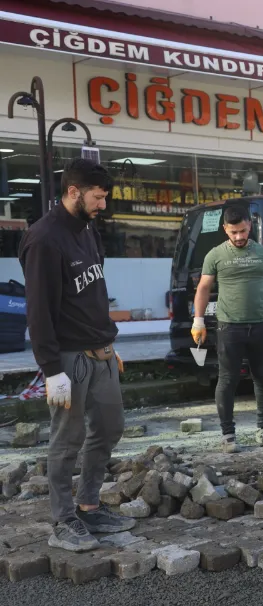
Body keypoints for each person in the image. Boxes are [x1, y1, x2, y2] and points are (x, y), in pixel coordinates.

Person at [19, 159, 134, 552]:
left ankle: (88, 505)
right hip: (68, 360)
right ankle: (63, 520)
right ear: (73, 192)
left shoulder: (87, 230)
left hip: (100, 354)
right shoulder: (44, 239)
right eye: (98, 197)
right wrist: (51, 369)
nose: (103, 205)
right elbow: (39, 312)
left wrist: (109, 345)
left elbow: (93, 296)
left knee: (109, 428)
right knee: (66, 441)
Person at [191, 206, 263, 450]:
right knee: (227, 380)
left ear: (250, 226)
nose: (238, 237)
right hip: (230, 328)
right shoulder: (215, 255)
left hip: (261, 325)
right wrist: (198, 321)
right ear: (225, 229)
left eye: (242, 231)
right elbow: (204, 288)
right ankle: (228, 435)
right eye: (233, 232)